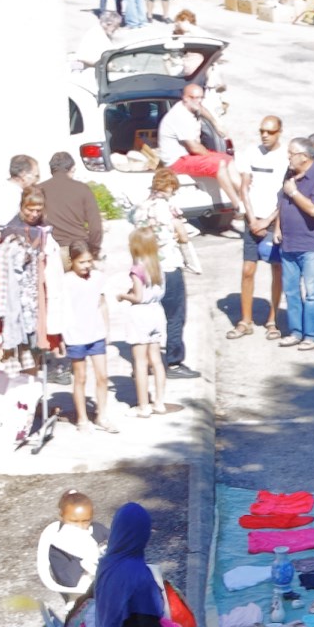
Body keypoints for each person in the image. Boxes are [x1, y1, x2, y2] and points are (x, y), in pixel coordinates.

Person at [129, 167, 198, 374]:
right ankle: (174, 361)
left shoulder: (140, 208)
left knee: (149, 312)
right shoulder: (168, 208)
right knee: (175, 315)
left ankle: (146, 361)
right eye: (173, 189)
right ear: (168, 187)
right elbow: (183, 236)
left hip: (145, 268)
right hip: (168, 266)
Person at [231, 116, 287, 338]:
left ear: (279, 132)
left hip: (274, 220)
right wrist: (252, 219)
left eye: (270, 132)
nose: (265, 135)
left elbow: (285, 194)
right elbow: (244, 187)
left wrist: (269, 220)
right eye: (262, 131)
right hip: (252, 218)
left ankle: (272, 320)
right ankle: (245, 320)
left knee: (277, 269)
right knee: (247, 270)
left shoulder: (285, 157)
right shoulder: (250, 153)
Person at [52, 246, 118, 433]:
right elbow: (61, 311)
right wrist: (60, 337)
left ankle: (101, 416)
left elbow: (102, 304)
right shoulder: (65, 281)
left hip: (96, 334)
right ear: (71, 261)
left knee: (102, 376)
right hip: (75, 336)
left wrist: (107, 331)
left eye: (89, 261)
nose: (87, 265)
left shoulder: (97, 278)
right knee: (80, 377)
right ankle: (82, 419)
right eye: (82, 262)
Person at [275, 139, 314, 351]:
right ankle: (296, 332)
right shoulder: (290, 175)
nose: (288, 156)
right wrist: (278, 228)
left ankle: (312, 335)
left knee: (312, 292)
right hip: (288, 242)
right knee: (290, 291)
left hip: (310, 244)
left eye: (291, 153)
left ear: (304, 157)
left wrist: (294, 192)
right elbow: (281, 202)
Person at [157, 81, 245, 213]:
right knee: (220, 163)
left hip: (188, 156)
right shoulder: (180, 116)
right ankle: (237, 205)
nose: (199, 101)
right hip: (176, 160)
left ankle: (246, 196)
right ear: (186, 98)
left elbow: (202, 109)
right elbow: (194, 148)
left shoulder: (192, 106)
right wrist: (212, 157)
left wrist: (215, 123)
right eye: (195, 98)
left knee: (228, 160)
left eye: (201, 98)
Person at [116, 226, 170, 417]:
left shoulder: (136, 269)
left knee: (139, 361)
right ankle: (160, 402)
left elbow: (138, 297)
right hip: (157, 312)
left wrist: (123, 295)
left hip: (140, 315)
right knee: (156, 360)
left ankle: (143, 405)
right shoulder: (158, 266)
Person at [35, 490, 104, 618]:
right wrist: (83, 556)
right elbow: (69, 581)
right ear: (62, 516)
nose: (81, 526)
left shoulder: (96, 530)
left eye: (86, 521)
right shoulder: (57, 545)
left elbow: (114, 543)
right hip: (81, 597)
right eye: (74, 521)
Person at [38, 152, 103, 259]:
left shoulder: (38, 190)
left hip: (50, 252)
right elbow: (95, 227)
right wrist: (94, 251)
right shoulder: (82, 189)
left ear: (51, 170)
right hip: (78, 251)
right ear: (71, 169)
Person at [0, 155, 42, 234]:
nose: (37, 180)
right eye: (36, 176)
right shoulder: (11, 195)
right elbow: (6, 228)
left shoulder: (5, 189)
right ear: (23, 175)